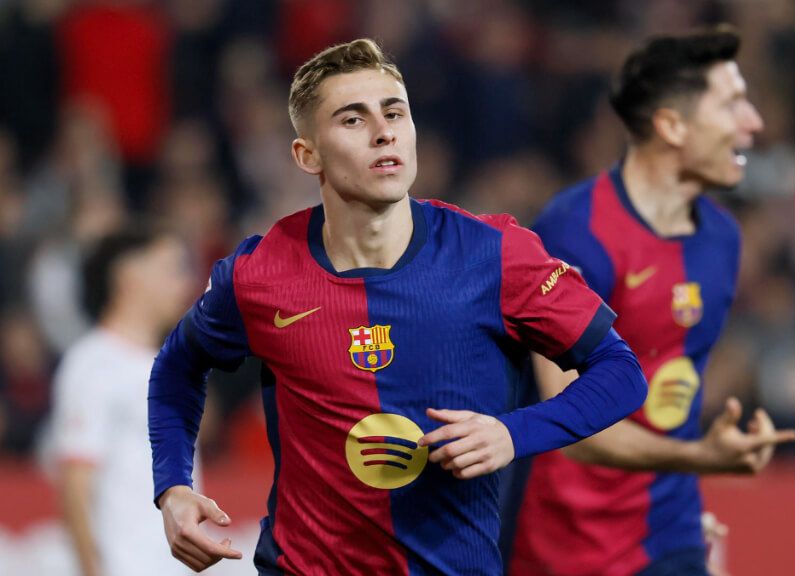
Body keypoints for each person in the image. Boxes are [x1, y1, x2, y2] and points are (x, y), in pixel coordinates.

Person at [148, 38, 646, 575]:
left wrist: (513, 433)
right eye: (352, 119)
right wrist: (172, 486)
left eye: (394, 112)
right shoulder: (257, 273)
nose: (384, 131)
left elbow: (620, 372)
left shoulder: (496, 254)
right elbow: (177, 365)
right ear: (306, 154)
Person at [509, 25, 795, 576]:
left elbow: (675, 383)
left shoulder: (722, 237)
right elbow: (566, 418)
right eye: (733, 103)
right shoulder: (577, 232)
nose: (753, 122)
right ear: (671, 125)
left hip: (669, 531)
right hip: (569, 545)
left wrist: (689, 501)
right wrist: (698, 459)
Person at [50, 228, 193, 576]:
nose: (185, 283)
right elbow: (76, 485)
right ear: (130, 278)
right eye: (171, 269)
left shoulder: (164, 365)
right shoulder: (93, 363)